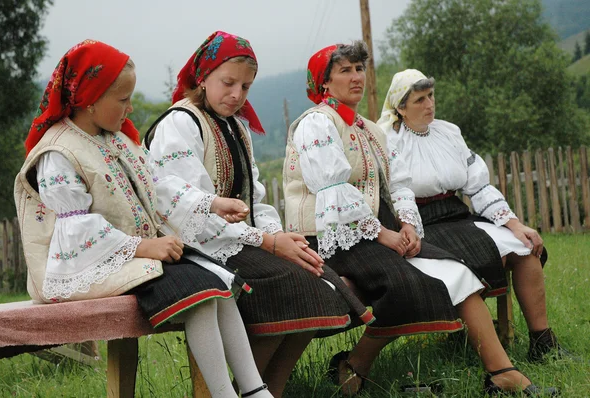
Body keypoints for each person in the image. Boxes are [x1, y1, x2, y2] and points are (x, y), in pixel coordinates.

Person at [283, 42, 558, 396]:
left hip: (371, 231)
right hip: (328, 236)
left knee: (457, 271)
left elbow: (398, 186)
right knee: (411, 283)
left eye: (359, 69)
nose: (356, 77)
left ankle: (501, 373)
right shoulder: (316, 124)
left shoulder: (369, 129)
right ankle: (353, 367)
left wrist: (409, 225)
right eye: (345, 71)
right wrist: (384, 235)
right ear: (323, 82)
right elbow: (335, 190)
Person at [14, 40, 273, 398]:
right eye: (122, 100)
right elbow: (77, 231)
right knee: (197, 293)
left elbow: (159, 187)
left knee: (218, 281)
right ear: (90, 98)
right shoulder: (59, 152)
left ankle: (254, 390)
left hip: (136, 257)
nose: (130, 108)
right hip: (84, 267)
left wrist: (211, 203)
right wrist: (145, 246)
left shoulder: (118, 141)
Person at [144, 31, 373, 398]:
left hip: (238, 240)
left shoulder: (236, 126)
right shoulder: (180, 124)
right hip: (196, 249)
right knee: (290, 286)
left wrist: (277, 237)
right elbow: (185, 207)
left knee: (316, 277)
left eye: (246, 87)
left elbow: (255, 199)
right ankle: (246, 390)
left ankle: (272, 388)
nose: (237, 95)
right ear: (203, 78)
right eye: (228, 83)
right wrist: (266, 241)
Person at [379, 69, 570, 364]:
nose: (429, 104)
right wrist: (408, 227)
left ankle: (542, 342)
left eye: (431, 96)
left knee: (525, 250)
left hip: (457, 213)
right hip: (421, 223)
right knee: (473, 262)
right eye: (419, 99)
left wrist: (514, 224)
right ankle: (478, 347)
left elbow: (478, 185)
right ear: (400, 108)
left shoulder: (449, 132)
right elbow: (397, 192)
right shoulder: (390, 141)